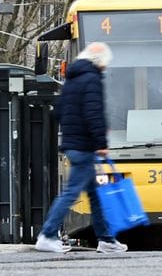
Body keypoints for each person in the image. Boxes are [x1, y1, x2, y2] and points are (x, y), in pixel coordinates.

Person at [35, 42, 127, 254]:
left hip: (72, 142)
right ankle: (47, 235)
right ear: (100, 61)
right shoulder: (91, 78)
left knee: (94, 195)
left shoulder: (72, 79)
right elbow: (93, 112)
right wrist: (100, 143)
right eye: (106, 63)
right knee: (70, 193)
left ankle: (105, 239)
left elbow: (59, 111)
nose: (106, 67)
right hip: (84, 146)